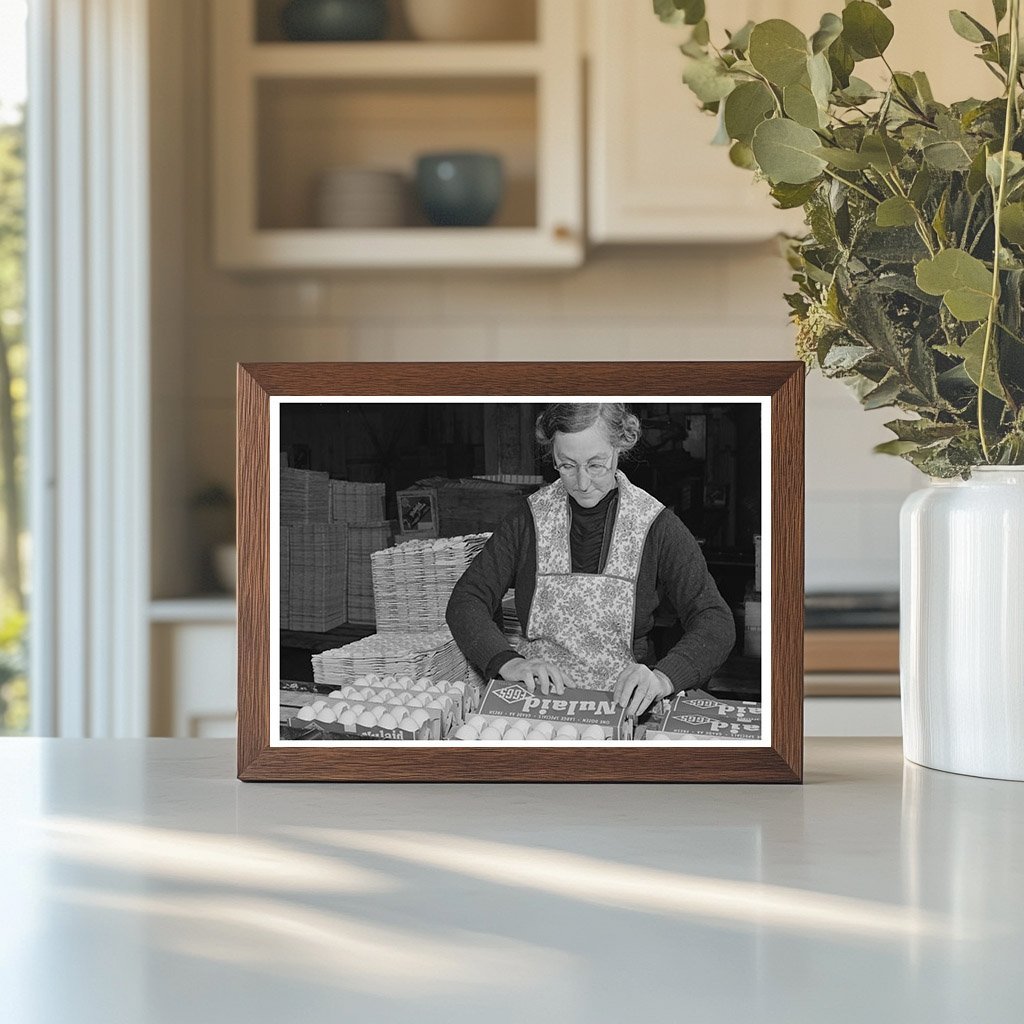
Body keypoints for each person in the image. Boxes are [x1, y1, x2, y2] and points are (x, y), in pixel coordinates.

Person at [445, 403, 736, 716]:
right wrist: (508, 661)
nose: (582, 483)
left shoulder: (655, 525)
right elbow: (467, 600)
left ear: (621, 444)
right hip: (537, 705)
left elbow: (714, 620)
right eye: (567, 466)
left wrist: (664, 678)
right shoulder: (528, 519)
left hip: (623, 710)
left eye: (596, 465)